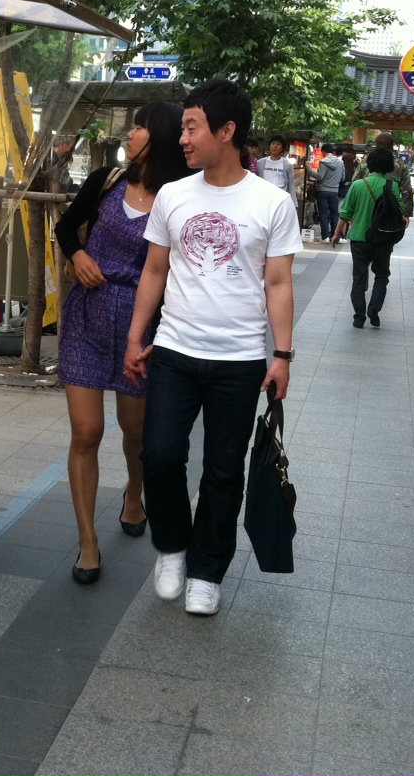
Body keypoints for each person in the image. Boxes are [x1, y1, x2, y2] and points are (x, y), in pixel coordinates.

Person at [123, 79, 301, 616]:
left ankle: (207, 569)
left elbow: (278, 283)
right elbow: (155, 270)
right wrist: (137, 336)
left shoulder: (271, 203)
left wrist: (283, 356)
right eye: (183, 127)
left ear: (227, 132)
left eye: (192, 126)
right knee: (160, 455)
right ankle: (172, 547)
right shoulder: (174, 195)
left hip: (240, 358)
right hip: (174, 350)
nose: (182, 137)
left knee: (224, 470)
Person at [55, 101, 192, 585]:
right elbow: (66, 225)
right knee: (86, 432)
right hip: (88, 319)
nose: (131, 134)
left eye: (139, 127)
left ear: (159, 135)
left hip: (143, 327)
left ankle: (135, 493)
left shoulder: (180, 197)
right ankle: (88, 542)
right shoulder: (107, 180)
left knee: (135, 432)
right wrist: (76, 255)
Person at [332, 147, 402, 328]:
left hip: (359, 239)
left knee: (359, 277)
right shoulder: (392, 187)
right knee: (381, 275)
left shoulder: (358, 185)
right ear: (388, 166)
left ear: (369, 164)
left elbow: (346, 213)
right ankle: (374, 309)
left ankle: (358, 317)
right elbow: (400, 214)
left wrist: (337, 233)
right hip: (383, 240)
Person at [353, 131, 414, 214]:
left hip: (366, 205)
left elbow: (355, 182)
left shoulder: (366, 162)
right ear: (391, 145)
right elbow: (406, 189)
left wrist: (354, 208)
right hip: (390, 207)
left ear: (376, 145)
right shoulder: (401, 165)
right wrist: (407, 213)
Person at [315, 144, 345, 242]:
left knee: (323, 213)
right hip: (334, 191)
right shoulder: (340, 163)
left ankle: (325, 237)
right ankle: (335, 235)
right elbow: (343, 178)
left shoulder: (323, 162)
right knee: (334, 214)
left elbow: (320, 176)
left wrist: (309, 170)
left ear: (323, 151)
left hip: (322, 190)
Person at [257, 134, 297, 206]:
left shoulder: (287, 164)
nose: (275, 146)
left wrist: (294, 204)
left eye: (278, 144)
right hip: (264, 199)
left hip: (280, 200)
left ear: (282, 148)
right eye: (273, 143)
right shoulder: (260, 163)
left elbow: (291, 184)